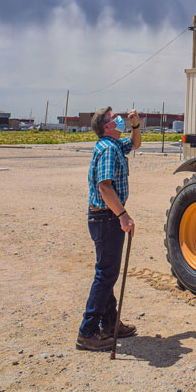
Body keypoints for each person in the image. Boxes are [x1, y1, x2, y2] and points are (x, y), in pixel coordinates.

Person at [76, 107, 141, 351]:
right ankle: (87, 331)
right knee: (105, 275)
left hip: (105, 217)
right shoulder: (108, 151)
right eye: (114, 118)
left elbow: (134, 144)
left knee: (108, 272)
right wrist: (123, 216)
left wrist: (135, 126)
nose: (118, 118)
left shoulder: (114, 145)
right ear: (106, 126)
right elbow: (105, 188)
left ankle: (110, 323)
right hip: (106, 217)